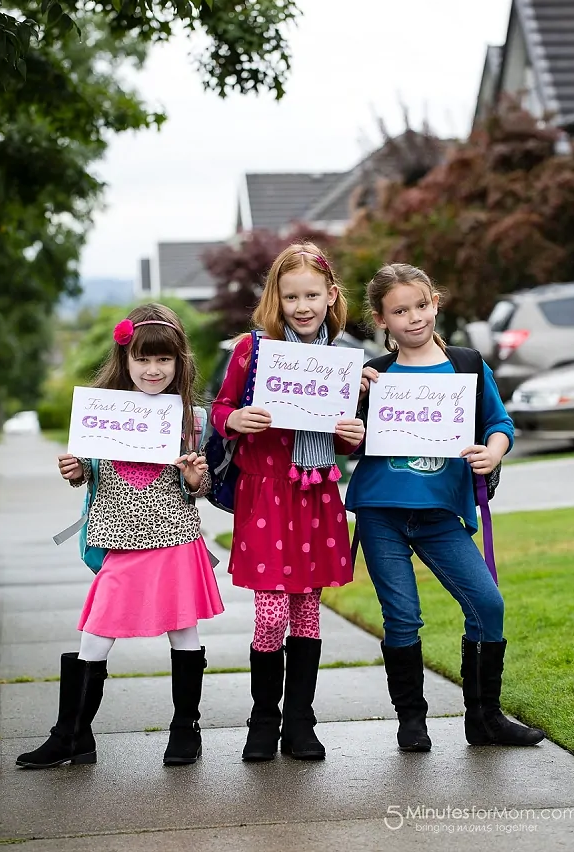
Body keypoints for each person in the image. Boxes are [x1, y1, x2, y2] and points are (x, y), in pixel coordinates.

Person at [16, 303, 224, 770]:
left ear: (179, 362)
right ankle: (72, 734)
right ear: (125, 360)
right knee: (95, 635)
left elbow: (204, 486)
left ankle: (185, 730)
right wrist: (75, 470)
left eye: (163, 360)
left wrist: (193, 477)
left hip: (174, 538)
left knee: (183, 634)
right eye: (143, 359)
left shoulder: (189, 417)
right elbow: (87, 469)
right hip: (120, 543)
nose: (153, 370)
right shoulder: (102, 412)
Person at [347, 263, 544, 752]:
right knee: (402, 617)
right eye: (399, 311)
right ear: (381, 319)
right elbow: (349, 443)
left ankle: (485, 720)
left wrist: (493, 451)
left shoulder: (467, 365)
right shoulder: (375, 375)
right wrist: (354, 409)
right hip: (381, 511)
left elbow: (500, 423)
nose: (413, 318)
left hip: (440, 514)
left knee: (487, 604)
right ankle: (411, 721)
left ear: (435, 301)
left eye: (420, 305)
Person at [211, 242, 365, 763]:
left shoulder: (340, 361)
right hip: (267, 492)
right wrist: (232, 420)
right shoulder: (251, 352)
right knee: (270, 616)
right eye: (291, 295)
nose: (302, 306)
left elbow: (344, 443)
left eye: (312, 295)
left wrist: (351, 432)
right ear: (276, 297)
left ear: (330, 296)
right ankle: (263, 721)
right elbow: (222, 407)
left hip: (315, 493)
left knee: (307, 615)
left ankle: (300, 722)